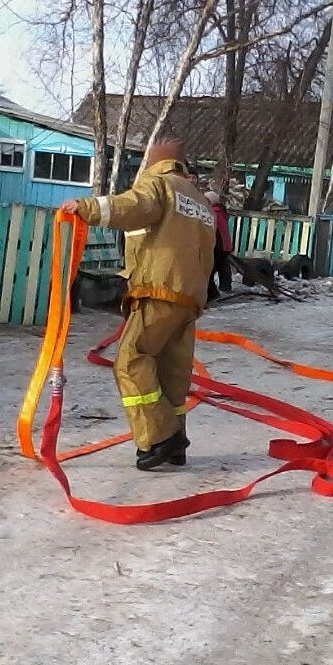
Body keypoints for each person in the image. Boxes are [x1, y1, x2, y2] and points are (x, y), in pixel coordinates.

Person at [60, 140, 215, 470]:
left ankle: (160, 438)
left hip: (159, 290)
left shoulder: (158, 185)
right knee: (171, 372)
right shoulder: (198, 200)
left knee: (130, 361)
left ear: (155, 163)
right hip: (189, 300)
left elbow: (133, 207)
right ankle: (175, 448)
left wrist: (85, 207)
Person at [205, 189, 233, 301]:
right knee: (220, 268)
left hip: (218, 246)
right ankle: (224, 287)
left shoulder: (213, 212)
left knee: (208, 272)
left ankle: (212, 295)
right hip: (225, 246)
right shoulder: (221, 211)